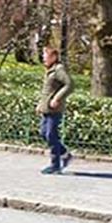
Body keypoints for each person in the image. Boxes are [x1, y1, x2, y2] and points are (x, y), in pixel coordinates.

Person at [37, 45, 73, 175]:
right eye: (43, 56)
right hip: (46, 108)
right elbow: (46, 91)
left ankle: (55, 165)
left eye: (46, 57)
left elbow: (70, 85)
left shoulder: (59, 70)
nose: (43, 59)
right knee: (43, 133)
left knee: (51, 135)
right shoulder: (49, 70)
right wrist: (40, 105)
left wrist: (57, 98)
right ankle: (64, 153)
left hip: (54, 109)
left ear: (54, 57)